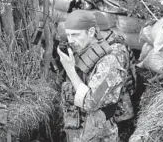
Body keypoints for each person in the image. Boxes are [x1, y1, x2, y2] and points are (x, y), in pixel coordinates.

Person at [58, 10, 136, 142]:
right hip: (80, 129)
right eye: (68, 35)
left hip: (99, 134)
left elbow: (90, 103)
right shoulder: (81, 52)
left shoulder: (110, 59)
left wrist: (70, 70)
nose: (70, 40)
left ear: (91, 32)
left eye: (75, 35)